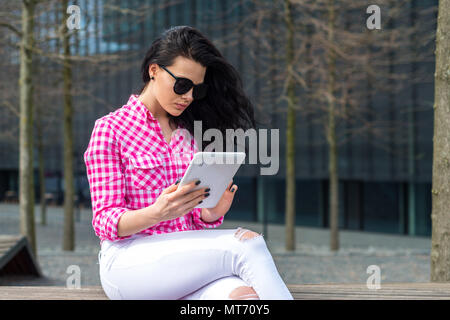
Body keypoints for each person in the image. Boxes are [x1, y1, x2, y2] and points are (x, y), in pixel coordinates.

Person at [83, 26, 293, 300]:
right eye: (182, 85)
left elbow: (191, 222)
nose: (189, 96)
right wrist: (156, 212)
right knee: (247, 245)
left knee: (244, 299)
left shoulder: (187, 133)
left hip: (179, 265)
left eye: (197, 89)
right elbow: (104, 221)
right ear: (154, 70)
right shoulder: (110, 129)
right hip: (128, 263)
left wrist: (211, 213)